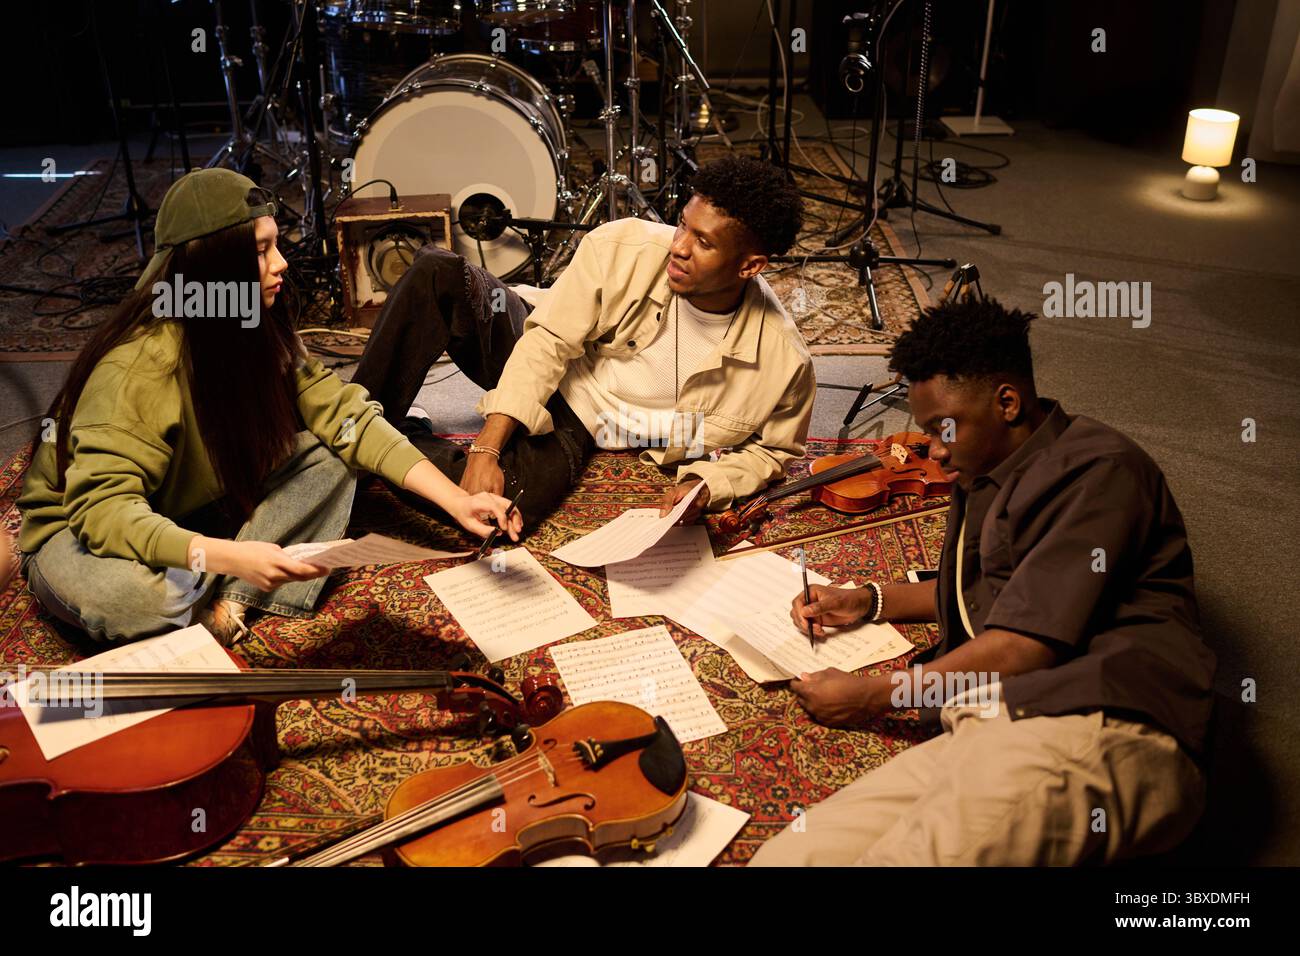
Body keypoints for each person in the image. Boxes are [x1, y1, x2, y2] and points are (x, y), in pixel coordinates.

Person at [751, 297, 1217, 866]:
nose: (936, 452)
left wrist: (876, 694)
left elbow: (1024, 644)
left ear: (1007, 401)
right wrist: (867, 601)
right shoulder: (986, 471)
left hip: (1095, 722)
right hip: (982, 722)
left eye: (944, 429)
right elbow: (987, 595)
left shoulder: (1099, 471)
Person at [17, 169, 520, 645]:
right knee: (131, 600)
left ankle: (226, 603)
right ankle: (201, 593)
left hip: (183, 508)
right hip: (81, 528)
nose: (281, 263)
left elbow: (348, 418)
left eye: (275, 244)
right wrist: (226, 554)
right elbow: (105, 515)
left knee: (329, 456)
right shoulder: (134, 370)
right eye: (261, 251)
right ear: (214, 268)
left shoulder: (252, 323)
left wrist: (455, 500)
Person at [351, 155, 814, 529]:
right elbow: (548, 341)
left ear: (750, 266)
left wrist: (711, 483)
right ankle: (350, 431)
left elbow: (775, 452)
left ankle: (396, 437)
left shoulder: (783, 362)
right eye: (682, 226)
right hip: (551, 346)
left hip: (590, 419)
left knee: (493, 510)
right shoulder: (622, 245)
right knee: (438, 271)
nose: (679, 247)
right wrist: (487, 446)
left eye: (704, 242)